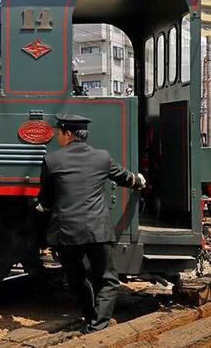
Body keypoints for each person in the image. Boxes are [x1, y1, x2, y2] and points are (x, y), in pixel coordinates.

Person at [37, 114, 145, 333]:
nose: (57, 136)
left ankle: (88, 314)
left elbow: (46, 200)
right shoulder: (102, 158)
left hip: (66, 232)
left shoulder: (52, 160)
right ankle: (98, 325)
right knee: (107, 279)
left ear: (68, 134)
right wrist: (139, 180)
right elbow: (124, 177)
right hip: (98, 231)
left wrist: (42, 208)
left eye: (58, 132)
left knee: (75, 278)